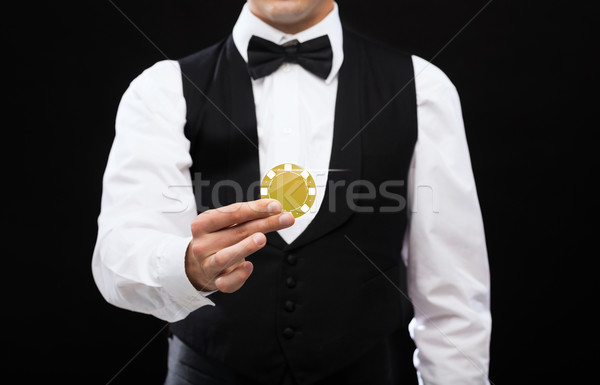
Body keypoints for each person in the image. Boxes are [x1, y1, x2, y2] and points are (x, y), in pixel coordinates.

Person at [92, 1, 492, 384]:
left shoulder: (422, 88)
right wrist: (187, 267)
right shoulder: (161, 90)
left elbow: (454, 294)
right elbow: (117, 256)